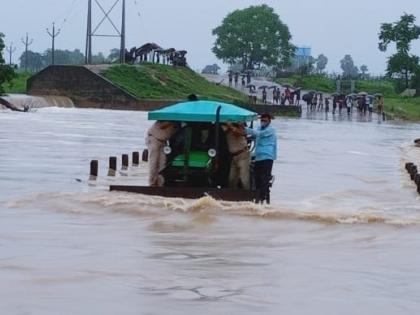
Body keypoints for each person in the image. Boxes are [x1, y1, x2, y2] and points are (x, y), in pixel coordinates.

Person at [245, 113, 277, 203]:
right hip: (258, 157)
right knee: (257, 178)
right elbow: (254, 136)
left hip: (267, 157)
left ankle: (263, 198)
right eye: (261, 120)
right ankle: (258, 197)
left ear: (269, 121)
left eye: (265, 121)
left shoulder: (271, 130)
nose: (263, 122)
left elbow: (259, 134)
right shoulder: (259, 128)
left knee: (264, 178)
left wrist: (245, 129)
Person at [146, 121, 177, 186]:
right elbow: (162, 125)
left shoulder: (177, 126)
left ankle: (160, 182)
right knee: (154, 161)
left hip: (163, 142)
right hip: (154, 139)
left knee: (163, 162)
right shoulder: (165, 120)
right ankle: (152, 182)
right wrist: (172, 122)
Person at [224, 123, 250, 189]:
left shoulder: (239, 128)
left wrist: (231, 126)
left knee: (244, 178)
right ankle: (232, 196)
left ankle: (248, 195)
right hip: (234, 156)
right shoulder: (226, 129)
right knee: (231, 179)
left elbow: (241, 133)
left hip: (243, 155)